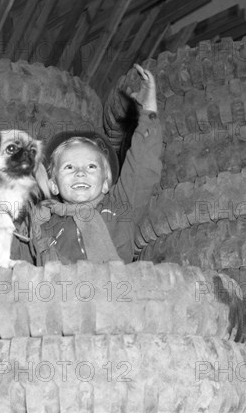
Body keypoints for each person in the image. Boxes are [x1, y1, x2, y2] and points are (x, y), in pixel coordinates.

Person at [13, 64, 162, 266]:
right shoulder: (42, 224)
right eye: (69, 167)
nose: (80, 172)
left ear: (105, 183)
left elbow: (143, 166)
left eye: (91, 167)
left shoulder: (121, 206)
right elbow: (9, 253)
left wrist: (148, 113)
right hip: (58, 295)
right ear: (54, 185)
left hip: (117, 292)